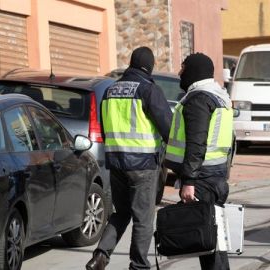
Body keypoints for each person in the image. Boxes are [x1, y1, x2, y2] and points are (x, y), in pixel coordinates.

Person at [86, 46, 172, 270]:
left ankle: (100, 256)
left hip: (116, 164)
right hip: (143, 165)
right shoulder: (149, 90)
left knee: (121, 213)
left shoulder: (110, 91)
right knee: (143, 218)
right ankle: (139, 265)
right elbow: (168, 128)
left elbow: (105, 130)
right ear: (149, 67)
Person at [165, 53, 233, 270]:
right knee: (215, 240)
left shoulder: (199, 99)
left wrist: (189, 180)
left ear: (194, 71)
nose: (179, 73)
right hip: (216, 175)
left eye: (183, 68)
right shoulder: (219, 96)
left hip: (202, 178)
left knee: (205, 242)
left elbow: (196, 143)